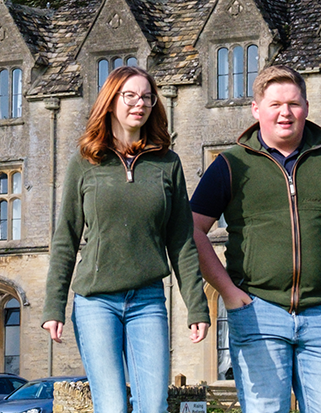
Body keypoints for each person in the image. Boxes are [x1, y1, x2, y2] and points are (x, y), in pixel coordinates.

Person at [190, 65, 321, 413]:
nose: (285, 112)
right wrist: (230, 293)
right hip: (258, 313)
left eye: (293, 103)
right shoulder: (230, 164)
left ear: (306, 106)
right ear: (256, 109)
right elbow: (192, 229)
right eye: (275, 104)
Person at [43, 65, 210, 413]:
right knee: (113, 406)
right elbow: (66, 238)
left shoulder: (168, 164)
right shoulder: (85, 161)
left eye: (147, 97)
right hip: (95, 302)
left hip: (147, 301)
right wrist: (53, 307)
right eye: (130, 95)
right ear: (111, 101)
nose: (140, 103)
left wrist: (197, 305)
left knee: (154, 407)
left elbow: (181, 240)